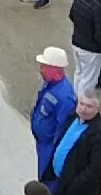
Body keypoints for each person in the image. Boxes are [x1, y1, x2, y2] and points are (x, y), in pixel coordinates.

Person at [29, 47, 77, 186]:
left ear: (54, 69)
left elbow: (63, 128)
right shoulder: (51, 85)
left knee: (48, 181)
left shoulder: (65, 97)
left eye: (44, 66)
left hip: (50, 149)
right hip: (43, 144)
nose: (41, 69)